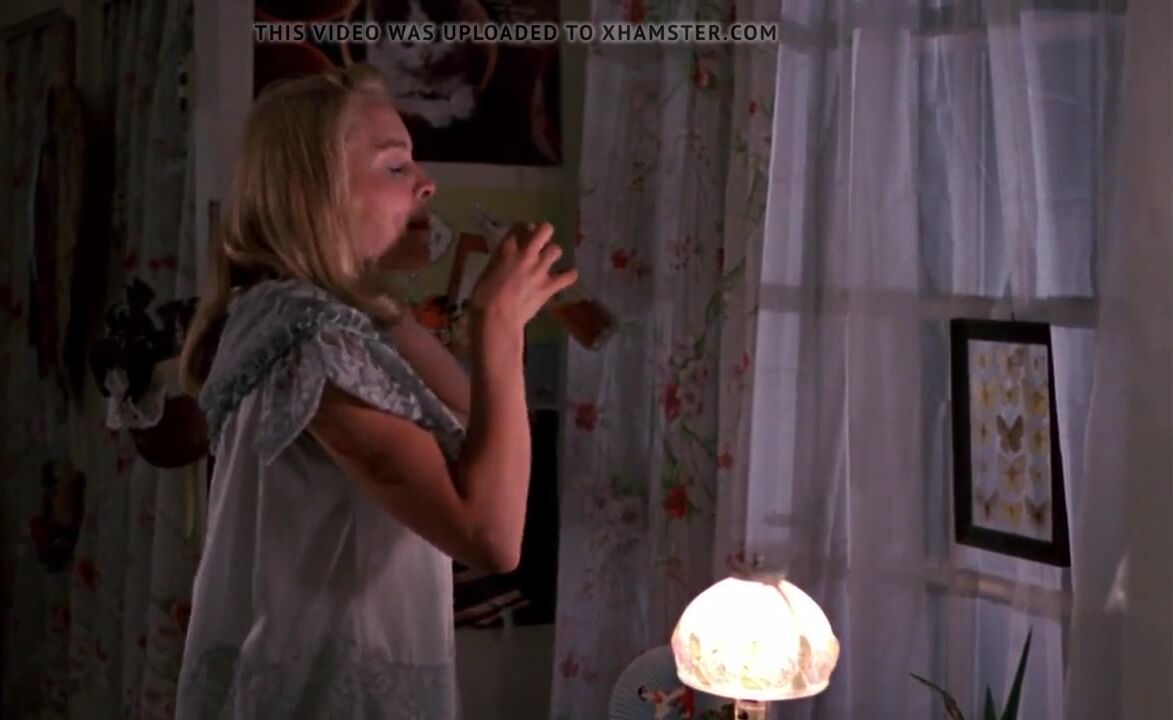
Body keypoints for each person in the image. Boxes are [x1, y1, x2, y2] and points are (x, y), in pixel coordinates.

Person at [174, 63, 575, 718]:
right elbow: (491, 535)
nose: (426, 184)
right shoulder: (317, 346)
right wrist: (498, 327)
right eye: (395, 166)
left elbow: (475, 417)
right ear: (317, 194)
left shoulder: (307, 314)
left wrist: (390, 294)